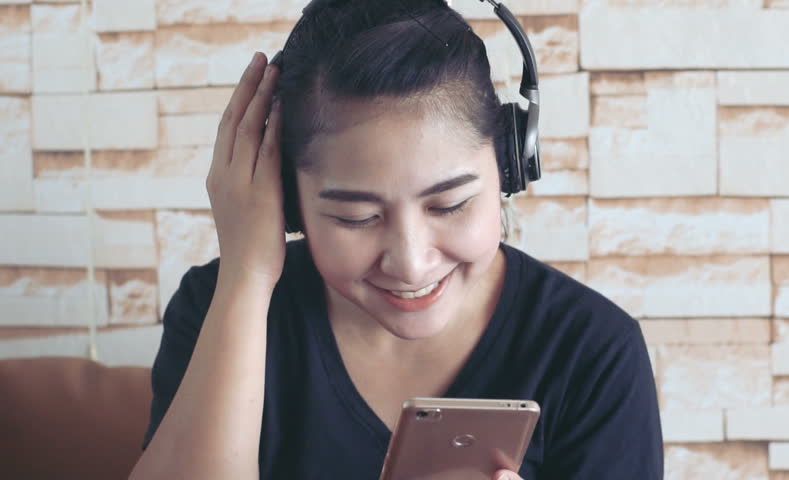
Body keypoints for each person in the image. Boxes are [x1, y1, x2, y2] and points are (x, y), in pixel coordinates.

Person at [129, 1, 664, 479]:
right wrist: (245, 276)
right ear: (287, 201)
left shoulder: (594, 351)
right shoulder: (215, 308)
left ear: (509, 167)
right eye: (356, 217)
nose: (410, 263)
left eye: (449, 206)